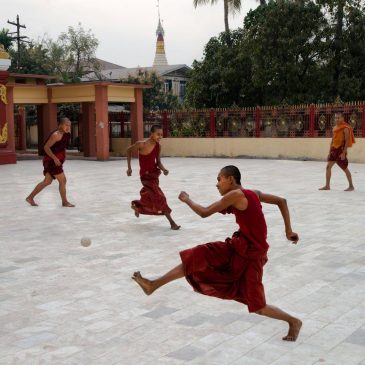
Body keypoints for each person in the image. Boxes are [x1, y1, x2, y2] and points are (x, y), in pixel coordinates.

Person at [132, 165, 302, 341]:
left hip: (252, 255)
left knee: (258, 306)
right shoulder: (253, 193)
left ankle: (293, 321)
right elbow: (281, 201)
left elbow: (204, 213)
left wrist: (187, 199)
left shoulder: (235, 195)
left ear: (231, 179)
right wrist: (288, 231)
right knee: (197, 255)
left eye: (219, 179)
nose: (217, 184)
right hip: (237, 245)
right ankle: (153, 285)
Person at [126, 125, 180, 230]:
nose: (160, 137)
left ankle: (137, 207)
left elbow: (158, 162)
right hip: (145, 177)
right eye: (158, 134)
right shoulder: (141, 144)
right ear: (151, 133)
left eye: (161, 135)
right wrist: (129, 168)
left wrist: (164, 169)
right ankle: (172, 223)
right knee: (160, 198)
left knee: (150, 198)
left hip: (154, 175)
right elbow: (128, 150)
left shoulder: (158, 146)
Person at [26, 117, 75, 207]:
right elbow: (46, 147)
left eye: (69, 125)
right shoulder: (56, 135)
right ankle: (65, 202)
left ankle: (30, 198)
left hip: (56, 161)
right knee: (63, 180)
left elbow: (62, 146)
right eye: (66, 125)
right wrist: (55, 158)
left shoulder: (67, 134)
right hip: (51, 161)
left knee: (47, 182)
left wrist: (64, 156)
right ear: (60, 125)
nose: (68, 127)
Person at [319, 112, 355, 191]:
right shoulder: (335, 128)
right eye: (335, 118)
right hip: (333, 150)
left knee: (345, 168)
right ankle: (327, 186)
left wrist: (343, 153)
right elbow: (332, 140)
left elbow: (346, 141)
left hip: (340, 150)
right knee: (328, 167)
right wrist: (329, 151)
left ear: (342, 118)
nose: (337, 119)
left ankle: (351, 186)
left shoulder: (345, 128)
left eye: (338, 118)